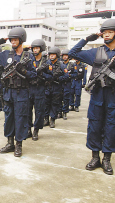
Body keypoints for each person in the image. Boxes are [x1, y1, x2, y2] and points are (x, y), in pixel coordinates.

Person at [68, 19, 115, 175]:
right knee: (94, 126)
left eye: (110, 32)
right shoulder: (96, 52)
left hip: (113, 96)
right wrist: (87, 39)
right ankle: (95, 157)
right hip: (97, 96)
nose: (107, 35)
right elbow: (72, 53)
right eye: (104, 32)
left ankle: (106, 159)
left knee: (111, 126)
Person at [0, 27, 36, 157]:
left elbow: (34, 75)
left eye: (15, 39)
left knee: (20, 119)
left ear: (21, 40)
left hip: (22, 93)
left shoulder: (28, 56)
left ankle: (18, 145)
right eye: (11, 40)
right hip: (8, 92)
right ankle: (10, 143)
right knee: (8, 118)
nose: (13, 42)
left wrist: (24, 72)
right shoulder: (6, 55)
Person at [28, 39, 52, 141]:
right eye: (34, 48)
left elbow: (51, 77)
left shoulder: (46, 62)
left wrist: (42, 73)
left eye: (37, 48)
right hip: (29, 88)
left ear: (41, 49)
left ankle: (36, 130)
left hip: (40, 88)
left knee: (39, 111)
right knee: (27, 111)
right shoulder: (29, 60)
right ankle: (28, 129)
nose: (35, 50)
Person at [43, 47, 68, 128]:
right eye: (50, 55)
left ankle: (52, 119)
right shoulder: (46, 63)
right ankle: (46, 119)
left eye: (53, 54)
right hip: (47, 87)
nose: (52, 56)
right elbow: (42, 74)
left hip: (57, 88)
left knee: (55, 104)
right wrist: (48, 77)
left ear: (57, 55)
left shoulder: (61, 65)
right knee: (46, 104)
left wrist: (58, 79)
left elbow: (66, 76)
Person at [58, 49, 76, 120]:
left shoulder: (72, 65)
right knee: (59, 98)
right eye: (64, 56)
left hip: (67, 83)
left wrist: (69, 76)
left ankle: (65, 112)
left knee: (66, 98)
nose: (65, 57)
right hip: (60, 83)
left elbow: (76, 74)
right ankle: (59, 112)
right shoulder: (60, 64)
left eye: (66, 56)